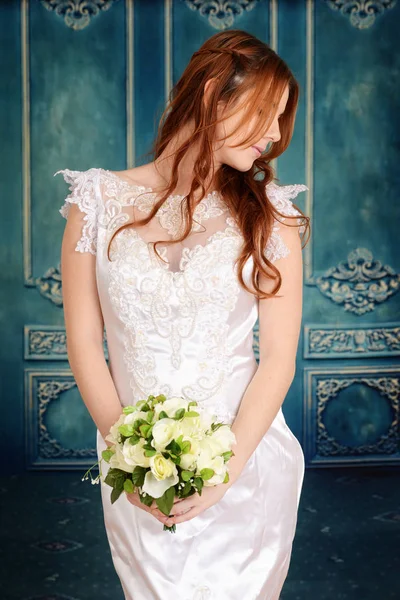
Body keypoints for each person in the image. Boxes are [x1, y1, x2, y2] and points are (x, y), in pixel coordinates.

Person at [56, 28, 310, 600]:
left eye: (280, 121)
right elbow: (83, 343)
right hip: (137, 469)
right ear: (213, 95)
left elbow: (277, 363)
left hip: (243, 459)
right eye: (267, 114)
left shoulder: (274, 217)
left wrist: (222, 477)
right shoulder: (94, 203)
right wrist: (130, 452)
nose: (273, 138)